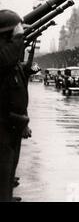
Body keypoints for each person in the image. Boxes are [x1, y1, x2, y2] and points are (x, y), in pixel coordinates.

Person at [0, 10, 34, 202]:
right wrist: (19, 35)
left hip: (10, 128)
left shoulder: (9, 66)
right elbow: (5, 59)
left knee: (5, 184)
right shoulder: (5, 63)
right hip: (4, 130)